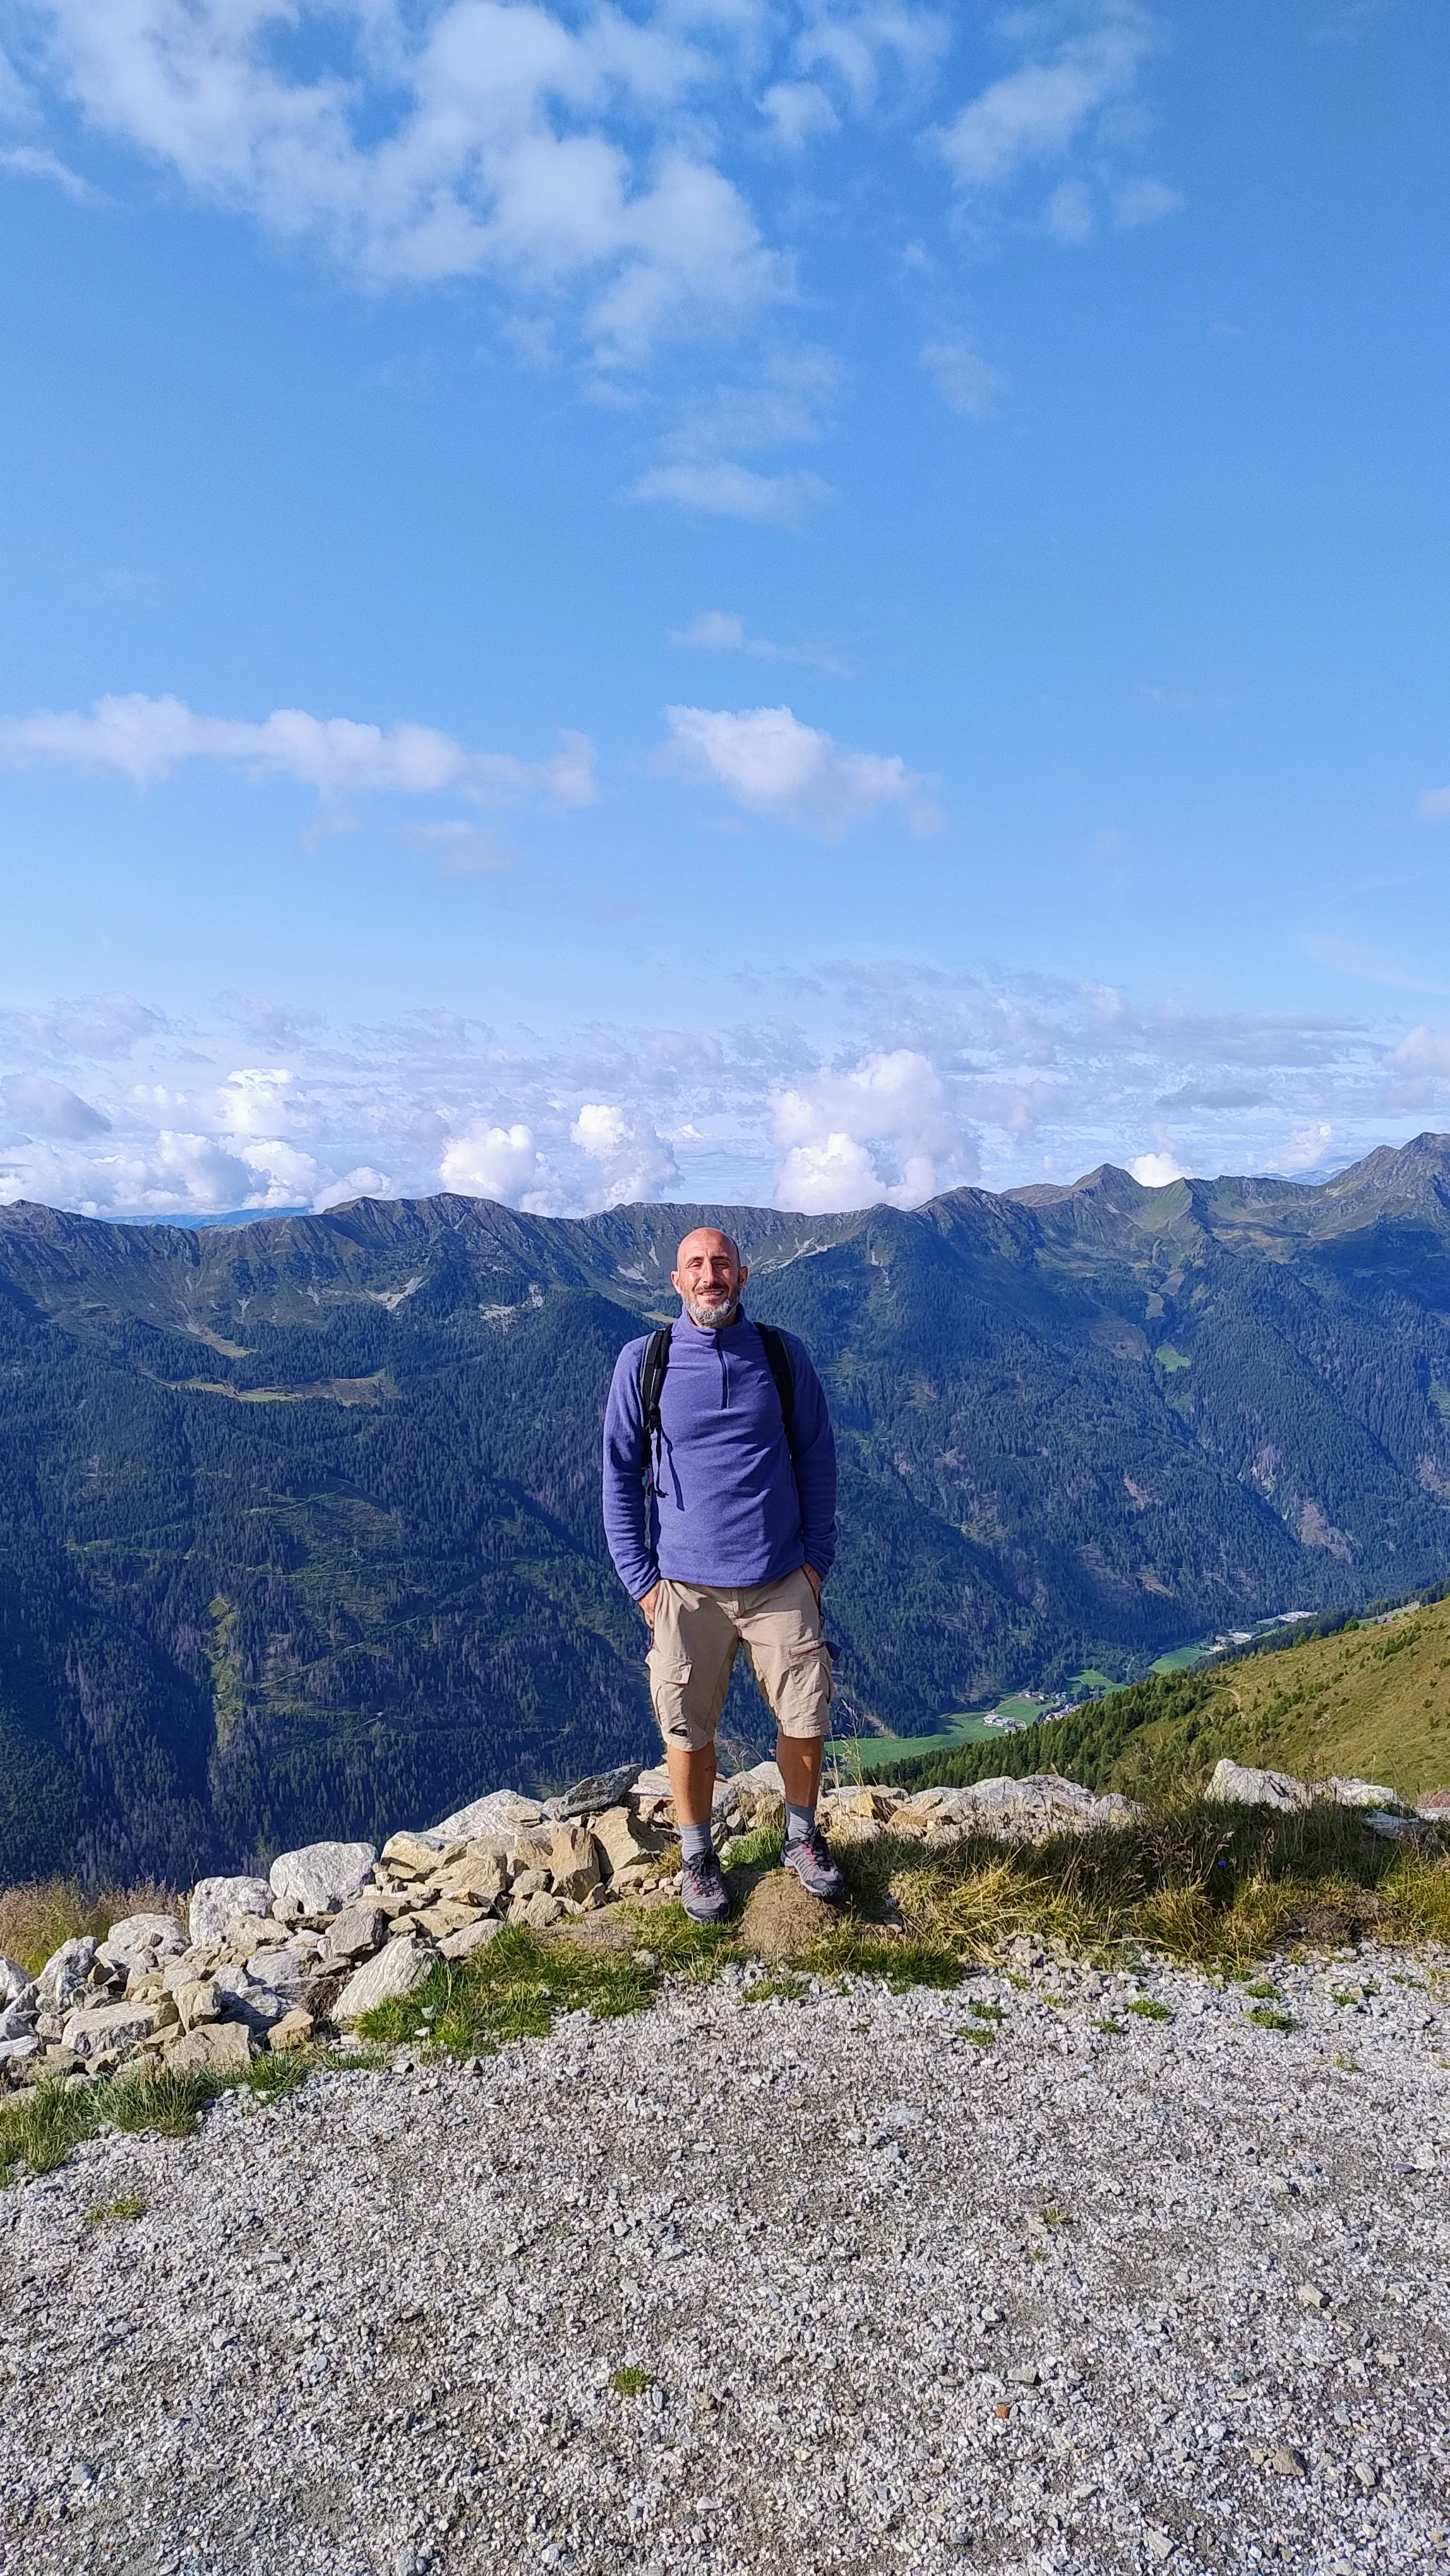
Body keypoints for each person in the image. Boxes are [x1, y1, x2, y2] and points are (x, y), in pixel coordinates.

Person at [602, 1225, 845, 1924]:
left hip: (779, 1580)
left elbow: (816, 1458)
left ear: (744, 1275)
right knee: (685, 1729)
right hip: (683, 1589)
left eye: (721, 1265)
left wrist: (814, 1563)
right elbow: (619, 1475)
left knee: (805, 1716)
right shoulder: (643, 1362)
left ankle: (801, 1840)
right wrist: (641, 1581)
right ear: (676, 1282)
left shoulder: (780, 1355)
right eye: (695, 1267)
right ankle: (697, 1856)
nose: (710, 1276)